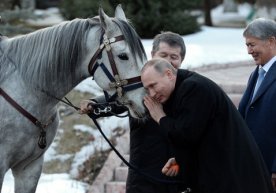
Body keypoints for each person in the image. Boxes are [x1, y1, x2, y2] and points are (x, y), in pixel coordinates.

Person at [141, 58, 274, 193]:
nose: (151, 94)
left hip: (234, 179)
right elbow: (200, 136)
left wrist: (160, 117)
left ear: (169, 74)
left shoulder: (193, 87)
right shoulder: (184, 87)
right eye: (147, 89)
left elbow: (185, 135)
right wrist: (181, 159)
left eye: (153, 85)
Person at [79, 31, 186, 193]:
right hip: (142, 176)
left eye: (174, 57)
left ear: (181, 60)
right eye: (163, 55)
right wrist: (94, 104)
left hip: (176, 176)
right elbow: (118, 101)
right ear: (152, 55)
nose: (168, 61)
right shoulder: (140, 85)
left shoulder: (189, 89)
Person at [238, 18, 276, 191]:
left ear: (271, 41)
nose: (249, 51)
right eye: (247, 45)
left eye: (252, 45)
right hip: (254, 166)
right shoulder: (256, 73)